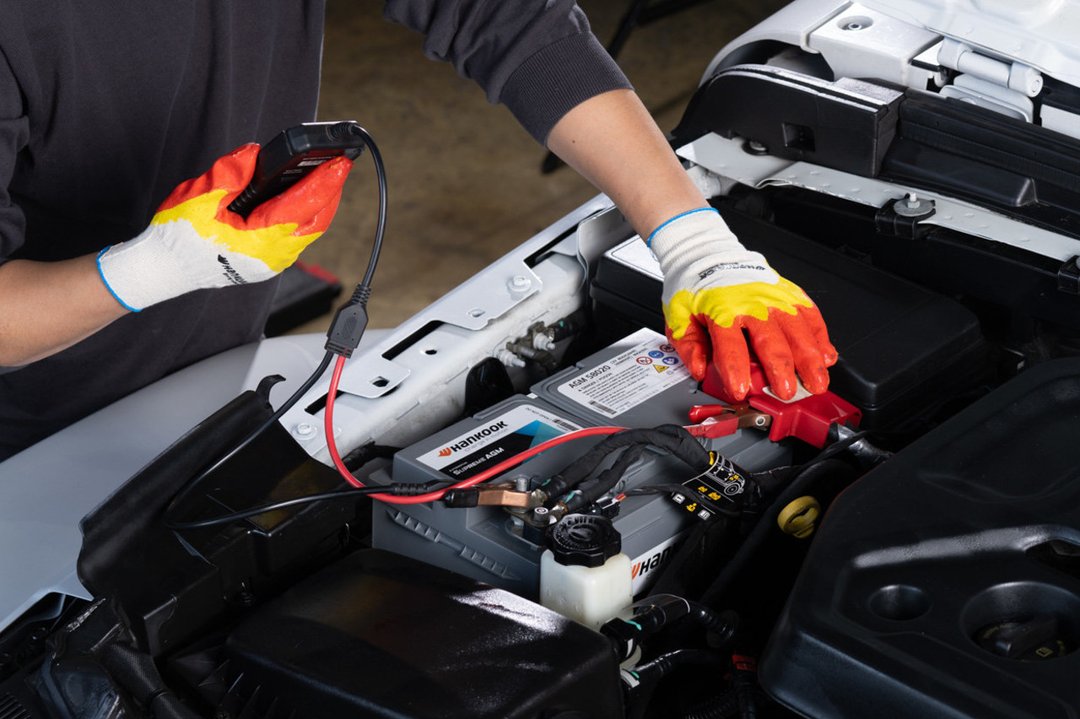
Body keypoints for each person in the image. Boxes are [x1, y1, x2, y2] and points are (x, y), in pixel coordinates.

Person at [0, 1, 834, 461]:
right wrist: (148, 271)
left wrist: (696, 247)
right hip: (31, 431)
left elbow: (514, 24)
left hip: (217, 372)